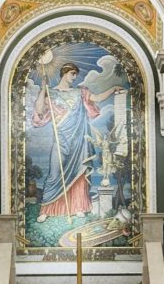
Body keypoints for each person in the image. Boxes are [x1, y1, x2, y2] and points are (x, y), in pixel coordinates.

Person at [32, 62, 123, 223]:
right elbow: (39, 111)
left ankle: (78, 207)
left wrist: (112, 89)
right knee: (54, 174)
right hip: (61, 140)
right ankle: (47, 208)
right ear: (64, 73)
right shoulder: (51, 93)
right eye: (72, 73)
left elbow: (97, 98)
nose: (74, 77)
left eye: (75, 74)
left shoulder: (80, 92)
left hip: (78, 141)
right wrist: (43, 88)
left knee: (79, 174)